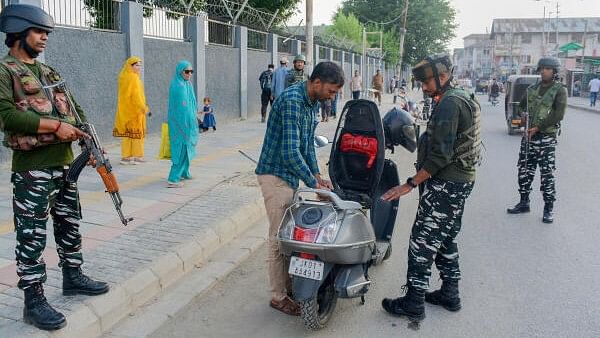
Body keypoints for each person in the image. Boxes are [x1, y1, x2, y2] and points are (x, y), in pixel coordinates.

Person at [0, 4, 109, 330]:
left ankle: (72, 275)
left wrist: (89, 139)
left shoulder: (49, 72)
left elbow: (75, 109)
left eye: (46, 33)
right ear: (19, 33)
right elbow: (6, 115)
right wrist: (53, 127)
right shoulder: (5, 71)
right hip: (32, 169)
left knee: (69, 223)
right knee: (31, 234)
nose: (45, 38)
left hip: (64, 165)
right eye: (39, 32)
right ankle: (33, 299)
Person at [380, 54, 481, 323]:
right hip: (458, 181)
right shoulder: (458, 96)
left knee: (421, 242)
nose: (423, 87)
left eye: (426, 82)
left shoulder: (450, 103)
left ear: (443, 77)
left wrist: (410, 183)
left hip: (447, 183)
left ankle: (414, 303)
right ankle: (450, 294)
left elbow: (440, 156)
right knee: (445, 237)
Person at [255, 61, 343, 316]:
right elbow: (290, 152)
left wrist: (317, 175)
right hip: (275, 177)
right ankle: (278, 296)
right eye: (332, 90)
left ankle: (292, 285)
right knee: (277, 239)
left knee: (290, 236)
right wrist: (313, 183)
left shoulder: (312, 104)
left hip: (291, 177)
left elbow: (306, 146)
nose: (332, 96)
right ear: (317, 82)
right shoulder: (292, 101)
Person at [507, 57, 567, 223]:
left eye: (547, 68)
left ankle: (548, 209)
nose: (543, 71)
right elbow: (520, 106)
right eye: (542, 68)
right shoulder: (533, 88)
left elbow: (558, 114)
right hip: (528, 138)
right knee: (524, 170)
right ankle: (524, 202)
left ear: (554, 71)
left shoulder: (559, 90)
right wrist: (522, 116)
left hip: (546, 138)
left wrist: (538, 127)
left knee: (547, 175)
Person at [167, 61, 199, 188]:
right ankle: (173, 178)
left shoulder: (187, 84)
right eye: (187, 71)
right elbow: (182, 110)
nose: (189, 74)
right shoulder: (178, 86)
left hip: (188, 121)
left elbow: (191, 104)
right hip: (180, 123)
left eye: (191, 71)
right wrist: (188, 123)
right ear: (180, 72)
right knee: (181, 149)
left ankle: (184, 172)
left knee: (188, 147)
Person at [113, 56, 150, 165]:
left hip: (125, 111)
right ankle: (138, 157)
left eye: (140, 65)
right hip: (135, 111)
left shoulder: (123, 76)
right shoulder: (133, 78)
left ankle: (126, 157)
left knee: (127, 135)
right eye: (137, 65)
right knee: (137, 135)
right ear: (131, 66)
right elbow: (136, 96)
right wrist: (144, 107)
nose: (139, 67)